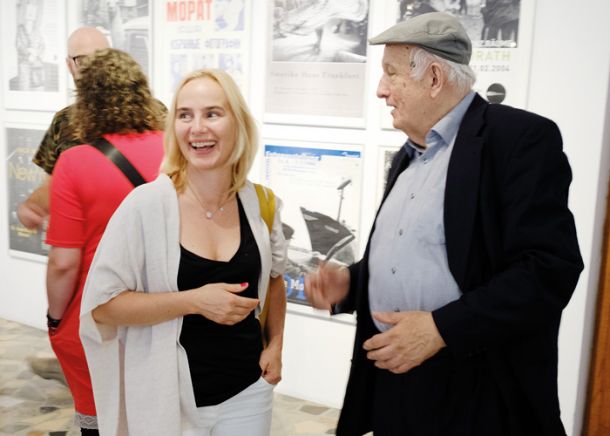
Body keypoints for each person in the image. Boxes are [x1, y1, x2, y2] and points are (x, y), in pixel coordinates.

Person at [305, 12, 583, 436]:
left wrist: (440, 329)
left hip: (475, 393)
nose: (381, 90)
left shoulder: (518, 139)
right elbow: (418, 255)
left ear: (434, 78)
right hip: (394, 384)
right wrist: (350, 284)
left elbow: (548, 269)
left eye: (391, 74)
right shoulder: (409, 153)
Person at [79, 69, 287, 435]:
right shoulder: (144, 206)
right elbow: (102, 306)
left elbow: (273, 281)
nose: (197, 128)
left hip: (248, 393)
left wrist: (276, 345)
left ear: (237, 123)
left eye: (212, 113)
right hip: (167, 397)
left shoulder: (261, 204)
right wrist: (194, 301)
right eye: (185, 115)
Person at [45, 48, 165, 434]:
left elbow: (64, 263)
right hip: (164, 306)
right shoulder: (173, 153)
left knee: (99, 420)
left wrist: (54, 317)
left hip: (95, 312)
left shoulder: (75, 161)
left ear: (87, 101)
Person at [17, 26, 109, 230]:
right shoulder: (63, 121)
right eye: (82, 60)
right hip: (82, 248)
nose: (93, 67)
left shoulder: (152, 114)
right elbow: (51, 189)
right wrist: (34, 207)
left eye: (100, 58)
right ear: (70, 65)